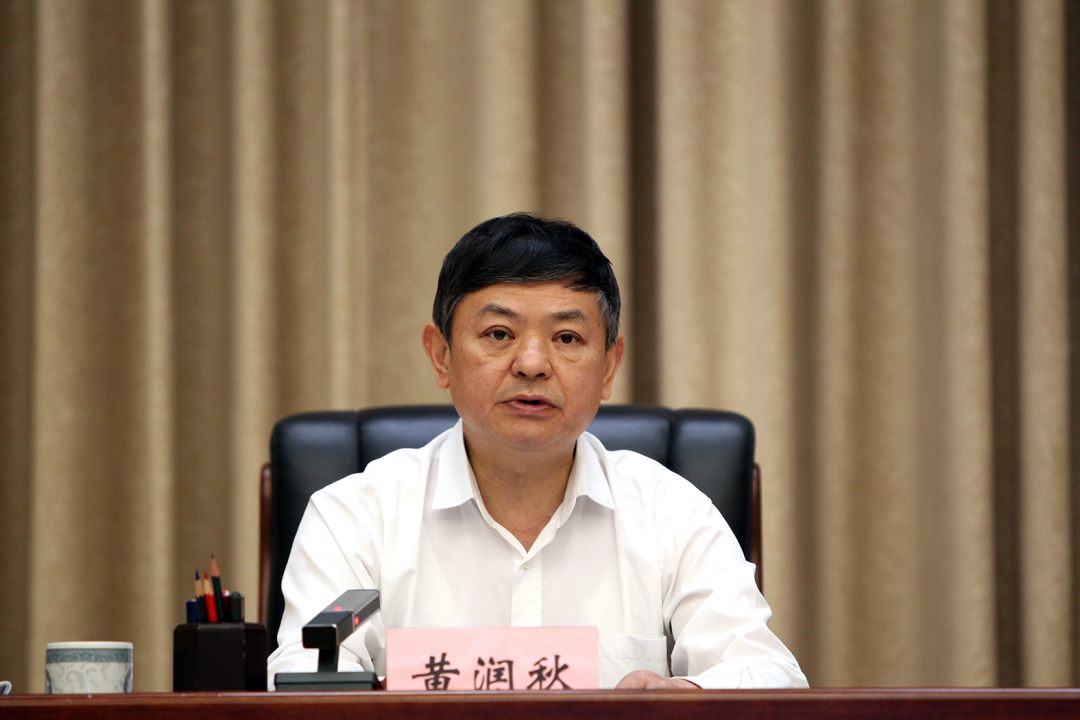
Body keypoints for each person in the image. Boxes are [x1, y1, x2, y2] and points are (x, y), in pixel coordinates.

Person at [267, 213, 807, 689]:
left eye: (567, 338)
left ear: (609, 366)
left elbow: (767, 673)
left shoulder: (671, 514)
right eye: (498, 334)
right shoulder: (355, 518)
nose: (531, 363)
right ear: (441, 355)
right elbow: (304, 677)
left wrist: (683, 696)